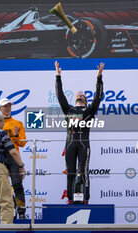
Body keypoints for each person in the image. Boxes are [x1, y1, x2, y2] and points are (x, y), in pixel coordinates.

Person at [55, 61, 104, 204]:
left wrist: (99, 77)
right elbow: (60, 95)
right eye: (78, 93)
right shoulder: (68, 109)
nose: (79, 94)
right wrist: (58, 75)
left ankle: (85, 199)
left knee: (83, 172)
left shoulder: (89, 110)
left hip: (84, 144)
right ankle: (71, 199)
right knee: (70, 171)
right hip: (70, 143)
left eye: (82, 94)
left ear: (85, 100)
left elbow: (98, 97)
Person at [0, 98, 27, 219]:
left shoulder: (18, 123)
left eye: (9, 106)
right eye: (5, 106)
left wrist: (16, 135)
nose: (8, 108)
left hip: (14, 158)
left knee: (17, 184)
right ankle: (0, 212)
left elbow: (23, 143)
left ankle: (21, 211)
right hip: (0, 157)